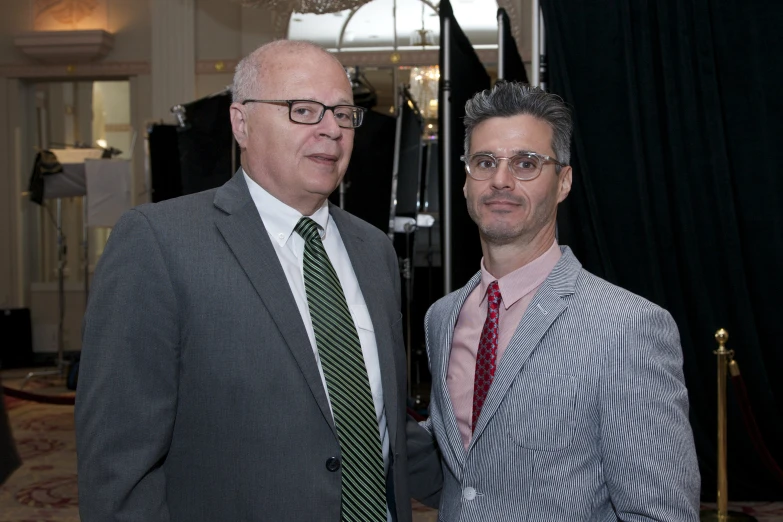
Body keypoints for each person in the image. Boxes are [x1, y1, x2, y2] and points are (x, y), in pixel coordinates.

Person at [75, 40, 441, 522]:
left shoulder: (372, 250)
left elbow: (376, 416)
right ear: (241, 123)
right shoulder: (159, 243)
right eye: (304, 110)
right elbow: (117, 464)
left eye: (343, 113)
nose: (331, 129)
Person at [422, 82, 700, 521]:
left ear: (564, 181)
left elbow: (660, 513)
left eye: (526, 163)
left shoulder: (628, 326)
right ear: (466, 180)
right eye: (484, 162)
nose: (500, 180)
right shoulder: (442, 317)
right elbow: (464, 468)